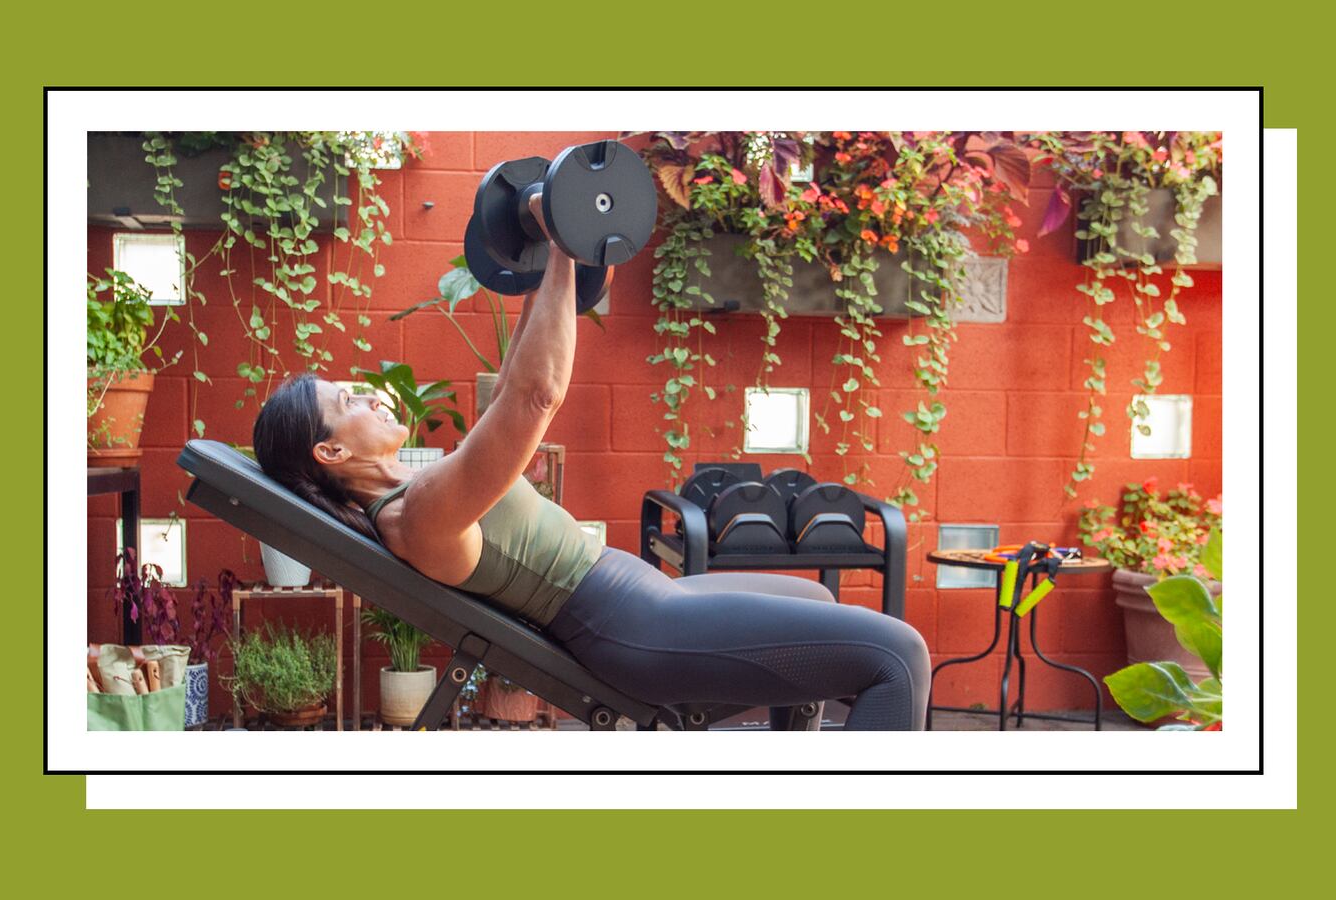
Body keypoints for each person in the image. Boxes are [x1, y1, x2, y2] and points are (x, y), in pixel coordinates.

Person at [251, 198, 929, 730]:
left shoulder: (419, 486)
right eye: (347, 401)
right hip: (636, 628)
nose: (369, 392)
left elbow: (513, 382)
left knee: (817, 601)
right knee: (897, 657)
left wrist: (541, 265)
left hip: (645, 598)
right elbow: (534, 397)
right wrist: (564, 248)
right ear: (330, 452)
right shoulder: (418, 515)